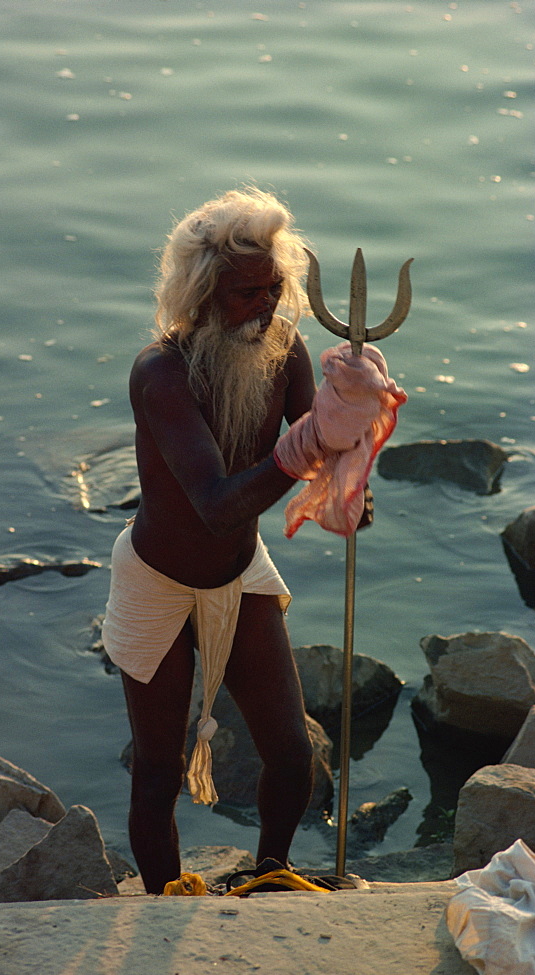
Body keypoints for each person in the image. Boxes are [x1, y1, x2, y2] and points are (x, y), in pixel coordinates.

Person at [101, 187, 366, 894]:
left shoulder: (287, 352)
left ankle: (270, 874)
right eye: (247, 294)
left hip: (238, 573)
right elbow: (217, 505)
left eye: (273, 289)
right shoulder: (161, 372)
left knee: (290, 754)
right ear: (200, 296)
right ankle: (163, 902)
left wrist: (349, 474)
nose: (266, 308)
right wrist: (305, 449)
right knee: (157, 771)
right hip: (156, 580)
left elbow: (331, 448)